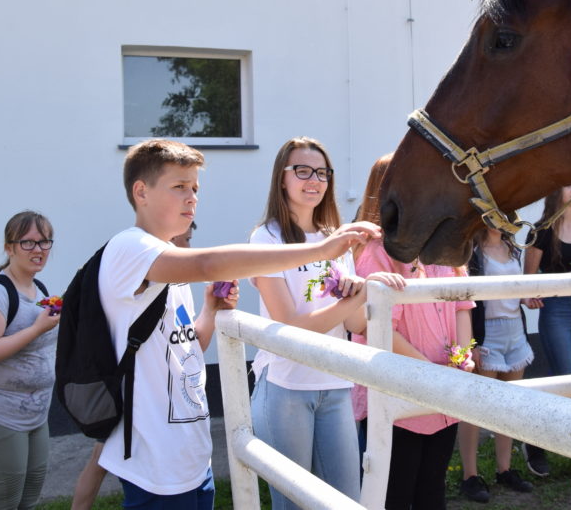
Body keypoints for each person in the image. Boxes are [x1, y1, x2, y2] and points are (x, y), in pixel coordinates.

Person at [97, 138, 378, 510]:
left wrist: (210, 312)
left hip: (190, 456)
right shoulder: (129, 247)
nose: (192, 198)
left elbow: (187, 350)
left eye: (195, 188)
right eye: (179, 187)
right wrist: (323, 251)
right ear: (141, 191)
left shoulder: (170, 266)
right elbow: (209, 266)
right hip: (154, 462)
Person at [249, 139, 405, 510]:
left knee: (345, 501)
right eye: (302, 171)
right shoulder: (266, 238)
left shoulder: (335, 237)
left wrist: (361, 291)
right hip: (286, 386)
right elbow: (291, 326)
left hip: (336, 383)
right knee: (292, 504)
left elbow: (352, 322)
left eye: (321, 173)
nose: (313, 180)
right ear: (281, 179)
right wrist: (356, 296)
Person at [349, 153, 470, 510]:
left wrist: (460, 361)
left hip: (443, 394)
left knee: (433, 491)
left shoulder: (443, 248)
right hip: (397, 394)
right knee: (397, 494)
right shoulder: (375, 253)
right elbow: (378, 328)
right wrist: (430, 373)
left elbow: (462, 304)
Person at [71, 221, 197, 510]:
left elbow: (188, 350)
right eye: (184, 241)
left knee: (99, 460)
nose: (188, 249)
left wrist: (212, 311)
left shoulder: (179, 286)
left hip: (158, 418)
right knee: (99, 460)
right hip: (129, 406)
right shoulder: (136, 267)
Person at [0, 211, 59, 510]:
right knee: (2, 504)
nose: (39, 250)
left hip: (36, 413)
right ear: (9, 247)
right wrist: (36, 329)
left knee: (28, 501)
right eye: (28, 243)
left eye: (44, 242)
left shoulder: (38, 288)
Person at [521, 183, 571, 477]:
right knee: (567, 381)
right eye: (570, 184)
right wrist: (529, 296)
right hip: (556, 310)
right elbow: (527, 281)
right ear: (555, 191)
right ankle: (534, 442)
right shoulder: (541, 231)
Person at [458, 225, 536, 503]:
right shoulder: (472, 250)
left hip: (515, 329)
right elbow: (468, 299)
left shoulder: (514, 248)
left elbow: (515, 289)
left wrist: (526, 298)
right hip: (487, 332)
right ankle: (470, 476)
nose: (499, 219)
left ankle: (505, 469)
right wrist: (473, 343)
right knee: (476, 406)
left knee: (510, 404)